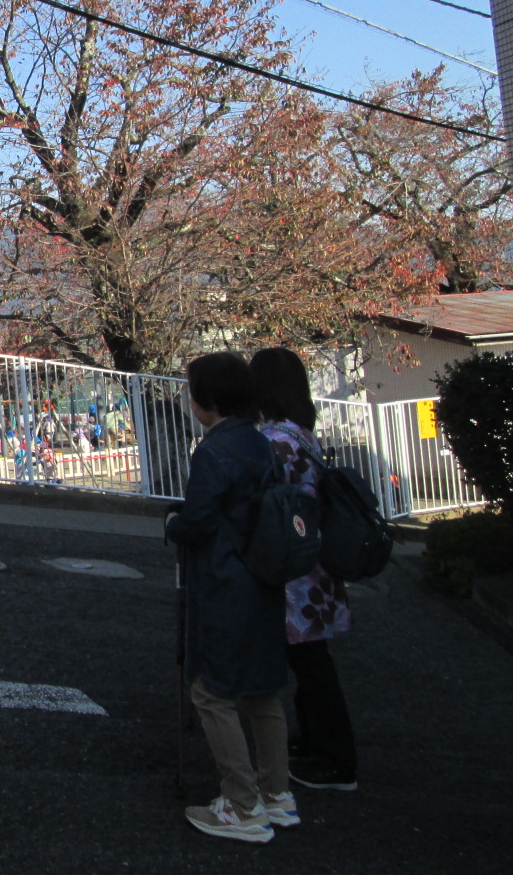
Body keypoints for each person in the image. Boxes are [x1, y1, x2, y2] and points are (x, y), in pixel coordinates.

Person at [164, 350, 296, 845]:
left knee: (212, 692)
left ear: (206, 400)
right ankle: (277, 794)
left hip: (224, 582)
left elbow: (196, 522)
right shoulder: (262, 444)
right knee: (263, 689)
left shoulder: (214, 452)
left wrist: (175, 525)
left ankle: (243, 805)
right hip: (265, 578)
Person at [250, 346, 359, 793]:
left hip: (293, 569)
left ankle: (337, 760)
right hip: (314, 565)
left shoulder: (274, 439)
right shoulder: (301, 433)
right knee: (311, 660)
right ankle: (315, 742)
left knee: (312, 665)